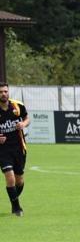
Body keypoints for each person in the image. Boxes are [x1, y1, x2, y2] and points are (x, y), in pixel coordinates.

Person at [0, 83, 29, 217]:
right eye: (1, 92)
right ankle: (17, 208)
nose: (3, 94)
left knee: (20, 181)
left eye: (5, 91)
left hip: (19, 148)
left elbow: (27, 118)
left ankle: (13, 201)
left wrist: (23, 124)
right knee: (10, 178)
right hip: (3, 150)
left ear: (8, 92)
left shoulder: (17, 106)